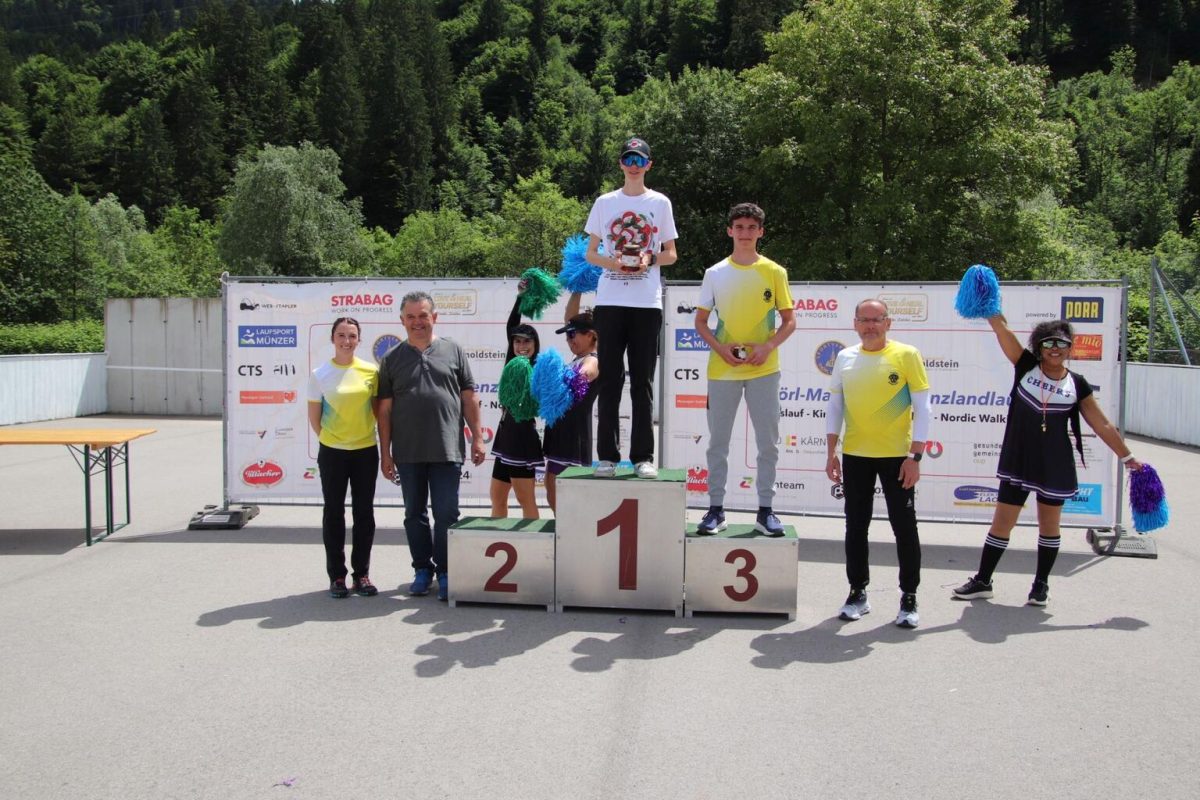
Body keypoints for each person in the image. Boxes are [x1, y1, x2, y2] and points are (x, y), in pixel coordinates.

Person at [952, 315, 1144, 606]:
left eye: (1062, 344)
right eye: (1048, 343)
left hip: (1055, 464)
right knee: (1002, 523)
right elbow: (1002, 329)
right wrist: (989, 307)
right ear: (1038, 347)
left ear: (1070, 349)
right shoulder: (1026, 366)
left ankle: (1040, 586)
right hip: (1019, 460)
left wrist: (1127, 456)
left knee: (1049, 526)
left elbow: (1102, 424)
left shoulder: (1077, 384)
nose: (1055, 348)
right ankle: (983, 581)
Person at [825, 299, 931, 628]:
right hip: (856, 455)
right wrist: (831, 452)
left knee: (904, 527)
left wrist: (915, 457)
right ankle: (858, 592)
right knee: (856, 527)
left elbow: (923, 409)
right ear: (855, 323)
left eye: (877, 319)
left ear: (888, 323)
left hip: (898, 457)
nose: (870, 325)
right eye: (864, 320)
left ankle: (909, 597)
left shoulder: (907, 354)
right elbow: (835, 407)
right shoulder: (845, 357)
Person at [693, 203, 796, 537]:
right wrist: (721, 348)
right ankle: (715, 510)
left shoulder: (775, 272)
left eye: (752, 227)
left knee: (768, 444)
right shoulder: (715, 273)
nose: (745, 233)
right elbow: (700, 322)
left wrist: (767, 347)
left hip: (764, 369)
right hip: (723, 369)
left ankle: (766, 511)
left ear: (761, 232)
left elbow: (789, 320)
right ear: (730, 231)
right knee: (718, 444)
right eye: (739, 227)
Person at [378, 291, 487, 602]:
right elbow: (384, 411)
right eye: (411, 317)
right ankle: (422, 570)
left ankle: (447, 571)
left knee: (447, 513)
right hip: (408, 451)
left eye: (423, 315)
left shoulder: (453, 350)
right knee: (414, 514)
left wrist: (478, 437)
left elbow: (469, 398)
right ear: (402, 320)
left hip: (447, 447)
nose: (417, 322)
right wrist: (385, 453)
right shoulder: (391, 359)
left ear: (434, 317)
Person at [584, 136, 678, 479]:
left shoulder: (660, 202)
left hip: (646, 304)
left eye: (640, 160)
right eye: (629, 159)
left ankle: (642, 457)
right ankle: (607, 458)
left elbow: (671, 254)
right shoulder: (604, 202)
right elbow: (590, 253)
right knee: (609, 380)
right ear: (621, 164)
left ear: (649, 165)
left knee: (643, 382)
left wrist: (648, 259)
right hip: (610, 301)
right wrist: (614, 263)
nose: (634, 166)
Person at [307, 317, 381, 598]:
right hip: (333, 453)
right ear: (332, 338)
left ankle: (361, 574)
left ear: (359, 339)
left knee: (364, 513)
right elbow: (315, 418)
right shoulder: (320, 374)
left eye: (352, 336)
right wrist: (334, 440)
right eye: (341, 335)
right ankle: (337, 576)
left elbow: (377, 412)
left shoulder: (371, 371)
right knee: (334, 513)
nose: (346, 341)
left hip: (365, 451)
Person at [542, 291, 600, 512]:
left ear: (591, 335)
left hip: (573, 436)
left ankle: (571, 530)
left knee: (566, 495)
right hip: (561, 432)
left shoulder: (592, 359)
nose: (569, 340)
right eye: (567, 336)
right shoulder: (578, 357)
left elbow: (587, 373)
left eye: (573, 335)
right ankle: (565, 527)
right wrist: (577, 288)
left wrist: (572, 378)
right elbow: (569, 319)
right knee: (551, 487)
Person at [489, 285, 544, 518]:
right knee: (497, 496)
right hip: (505, 434)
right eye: (517, 342)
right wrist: (520, 297)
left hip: (522, 436)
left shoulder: (538, 367)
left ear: (535, 344)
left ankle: (535, 540)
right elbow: (511, 325)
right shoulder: (513, 361)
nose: (521, 346)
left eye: (526, 342)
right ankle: (496, 536)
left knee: (525, 499)